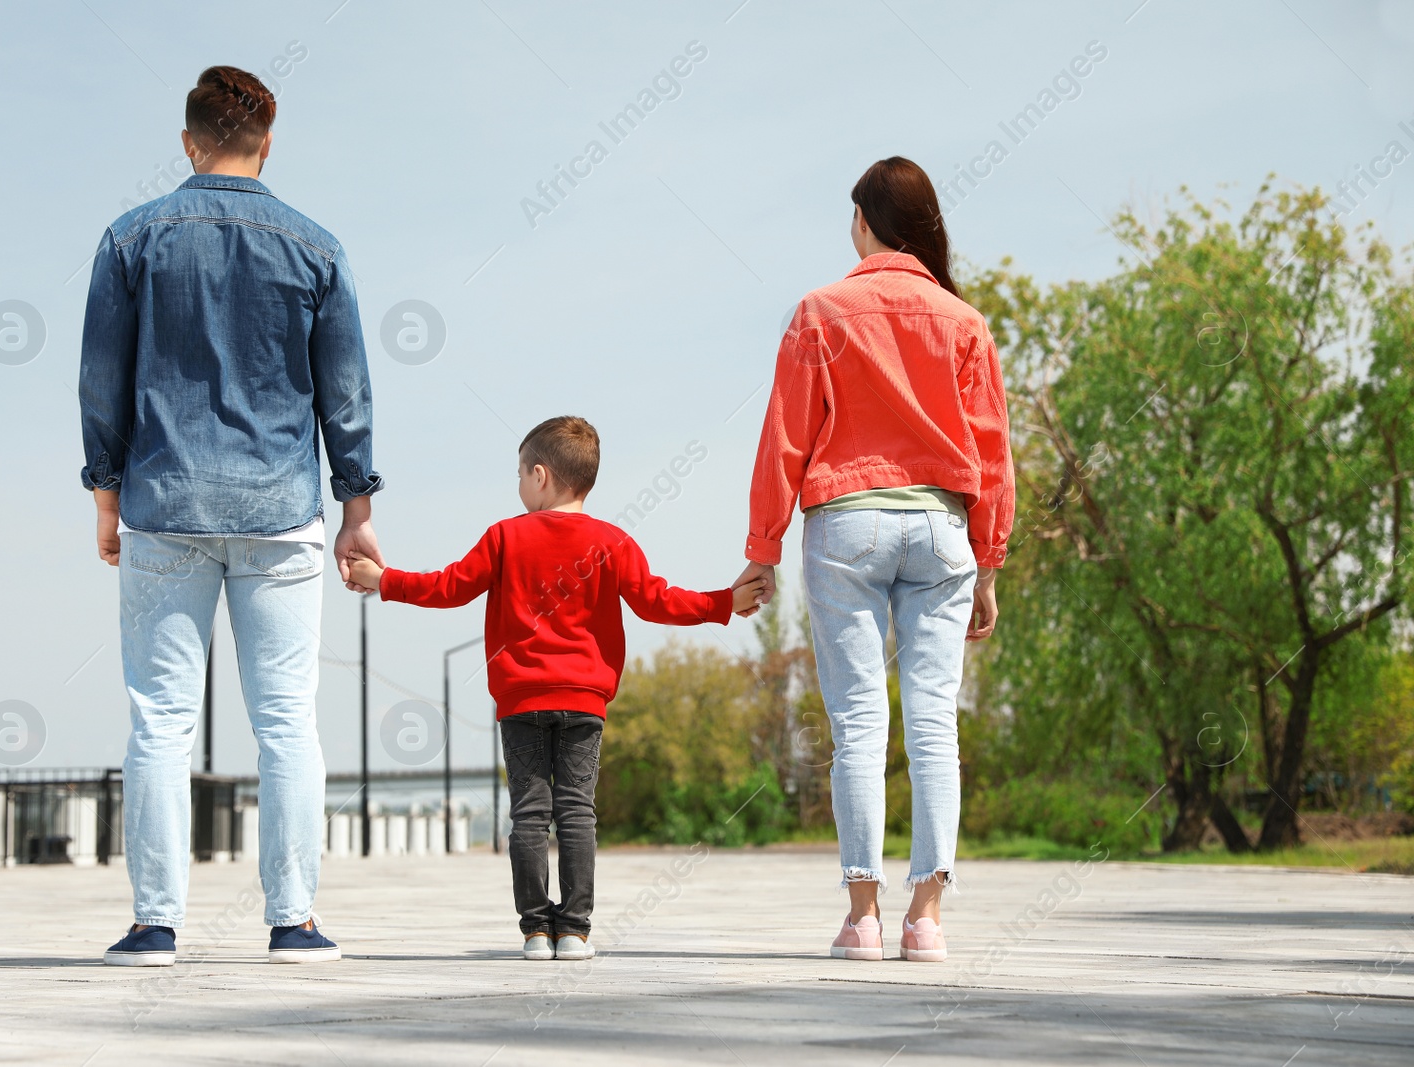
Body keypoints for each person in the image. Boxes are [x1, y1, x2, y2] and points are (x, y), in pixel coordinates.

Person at [79, 65, 383, 967]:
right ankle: (293, 922)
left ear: (188, 140)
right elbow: (348, 389)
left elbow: (101, 379)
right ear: (268, 140)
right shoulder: (316, 246)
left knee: (159, 720)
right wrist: (356, 506)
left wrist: (106, 492)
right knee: (287, 716)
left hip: (163, 504)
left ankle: (154, 924)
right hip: (282, 509)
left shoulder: (131, 237)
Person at [347, 417, 765, 961]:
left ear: (540, 476)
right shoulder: (613, 542)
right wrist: (721, 603)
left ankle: (535, 932)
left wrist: (386, 581)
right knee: (576, 812)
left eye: (520, 474)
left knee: (528, 814)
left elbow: (449, 588)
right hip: (584, 703)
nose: (517, 486)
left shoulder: (504, 536)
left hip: (521, 702)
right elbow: (656, 600)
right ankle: (574, 931)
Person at [735, 157, 1012, 963]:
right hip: (940, 527)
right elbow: (992, 453)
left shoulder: (821, 311)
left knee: (859, 720)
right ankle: (927, 918)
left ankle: (863, 917)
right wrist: (987, 560)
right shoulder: (963, 322)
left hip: (846, 527)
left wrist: (762, 549)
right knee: (934, 722)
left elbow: (784, 437)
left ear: (862, 222)